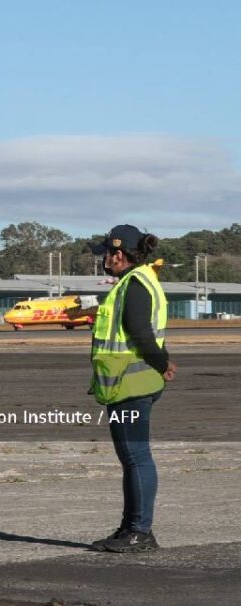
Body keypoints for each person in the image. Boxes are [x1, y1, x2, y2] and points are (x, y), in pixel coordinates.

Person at [87, 224, 174, 554]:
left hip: (131, 384)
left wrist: (162, 363)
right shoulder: (139, 281)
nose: (104, 259)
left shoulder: (134, 285)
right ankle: (129, 529)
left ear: (118, 254)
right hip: (129, 383)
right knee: (132, 459)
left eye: (106, 253)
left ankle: (140, 531)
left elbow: (139, 332)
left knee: (137, 458)